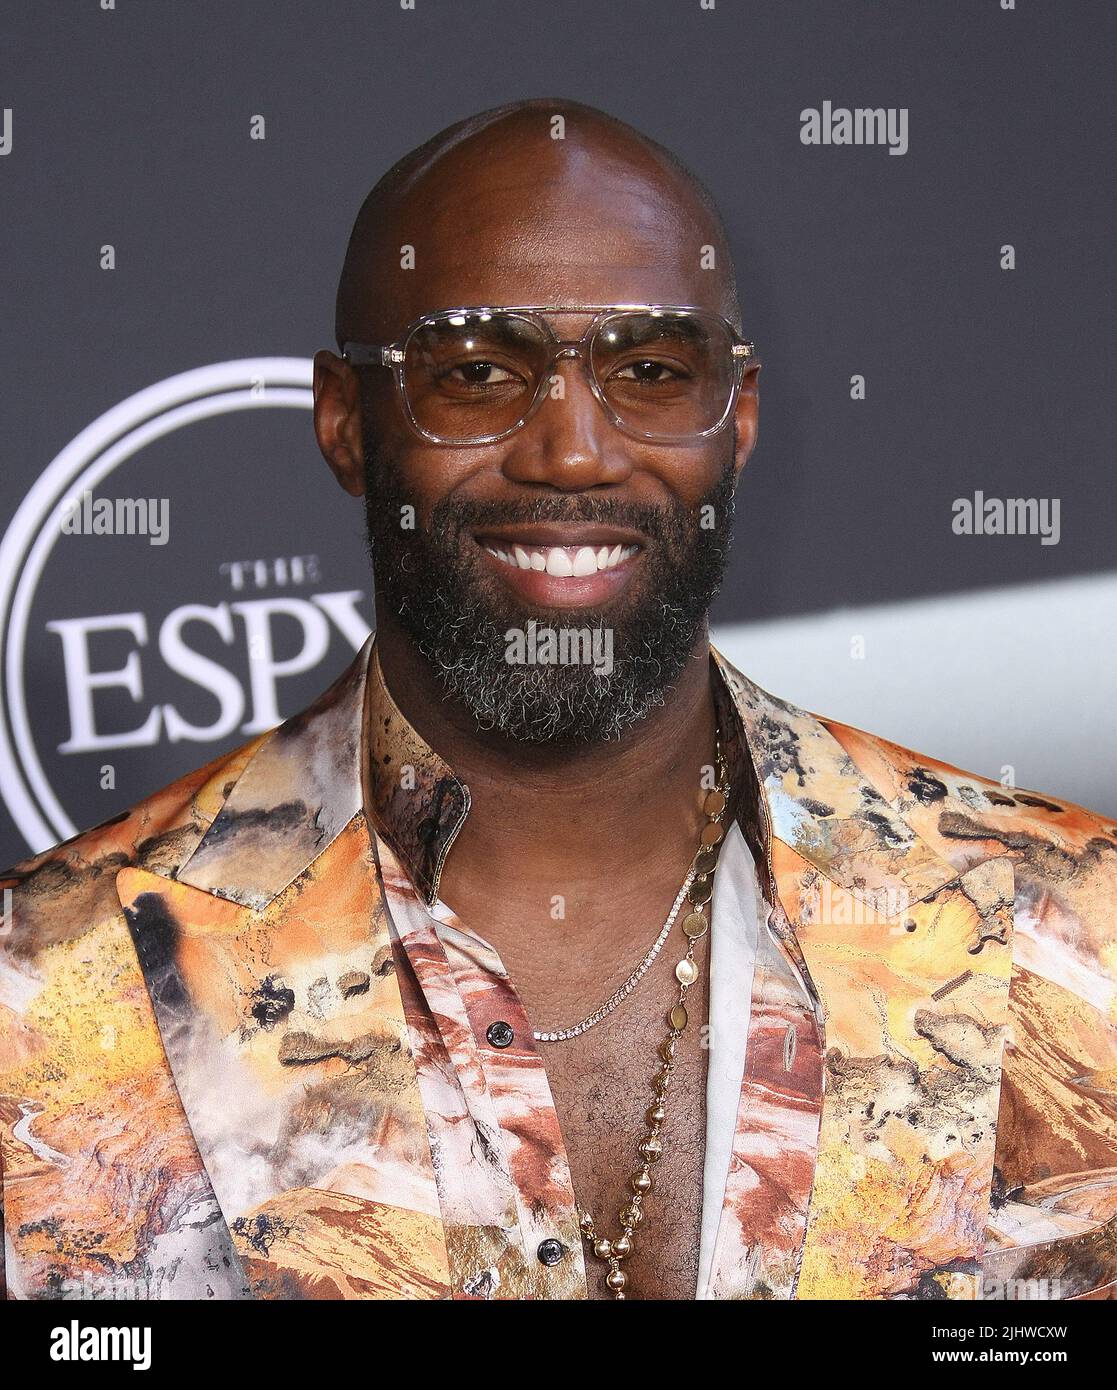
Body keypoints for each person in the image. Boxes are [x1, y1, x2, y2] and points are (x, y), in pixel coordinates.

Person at [2, 99, 1115, 1302]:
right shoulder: (49, 990)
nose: (573, 450)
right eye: (478, 372)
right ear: (344, 421)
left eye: (650, 371)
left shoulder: (1071, 935)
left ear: (735, 420)